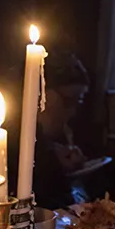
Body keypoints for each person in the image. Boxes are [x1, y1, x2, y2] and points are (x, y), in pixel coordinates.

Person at [33, 50, 93, 208]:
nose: (72, 111)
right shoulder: (10, 140)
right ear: (41, 95)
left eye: (77, 102)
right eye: (68, 101)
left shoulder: (61, 134)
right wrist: (51, 162)